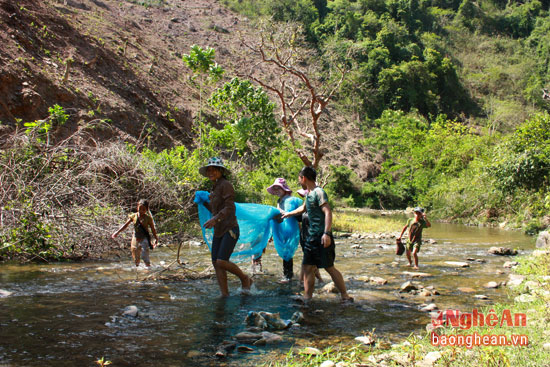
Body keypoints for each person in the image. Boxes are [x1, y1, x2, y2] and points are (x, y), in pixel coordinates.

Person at [282, 166, 353, 304]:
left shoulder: (319, 192)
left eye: (299, 179)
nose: (299, 182)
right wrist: (287, 214)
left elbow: (327, 212)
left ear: (304, 178)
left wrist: (326, 233)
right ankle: (307, 297)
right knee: (308, 267)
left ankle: (344, 295)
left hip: (321, 236)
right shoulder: (309, 194)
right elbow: (302, 209)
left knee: (329, 267)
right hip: (311, 238)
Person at [199, 157, 253, 297]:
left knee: (222, 261)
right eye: (209, 170)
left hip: (230, 228)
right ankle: (225, 294)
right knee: (216, 263)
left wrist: (215, 219)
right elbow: (215, 210)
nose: (211, 172)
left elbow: (230, 207)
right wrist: (203, 202)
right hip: (219, 229)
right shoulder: (215, 187)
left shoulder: (226, 185)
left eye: (214, 170)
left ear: (221, 171)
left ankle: (245, 278)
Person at [111, 199, 159, 268]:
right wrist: (117, 232)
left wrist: (156, 238)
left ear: (146, 210)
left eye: (143, 209)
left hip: (144, 238)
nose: (141, 211)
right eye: (140, 209)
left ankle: (148, 267)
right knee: (135, 255)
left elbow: (153, 229)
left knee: (145, 254)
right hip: (135, 237)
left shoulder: (148, 218)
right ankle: (137, 268)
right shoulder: (133, 216)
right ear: (137, 207)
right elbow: (125, 225)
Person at [267, 177, 296, 283]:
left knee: (288, 252)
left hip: (288, 229)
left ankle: (288, 276)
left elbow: (290, 215)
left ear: (284, 189)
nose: (277, 191)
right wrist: (271, 234)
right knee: (285, 252)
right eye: (275, 189)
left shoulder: (289, 200)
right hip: (281, 228)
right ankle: (287, 274)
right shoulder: (279, 200)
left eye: (279, 188)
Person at [296, 188, 324, 285]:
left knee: (308, 262)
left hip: (313, 239)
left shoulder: (316, 210)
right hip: (304, 238)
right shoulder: (304, 210)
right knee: (308, 262)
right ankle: (319, 280)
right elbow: (297, 218)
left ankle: (302, 281)